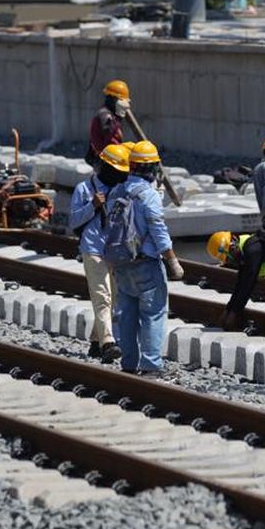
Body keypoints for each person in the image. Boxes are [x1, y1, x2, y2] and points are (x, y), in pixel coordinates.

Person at [105, 140, 185, 376]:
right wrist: (172, 260)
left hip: (120, 262)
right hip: (146, 264)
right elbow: (157, 229)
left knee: (127, 314)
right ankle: (151, 365)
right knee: (153, 313)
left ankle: (129, 363)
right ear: (152, 168)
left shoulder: (116, 191)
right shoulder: (148, 195)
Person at [70, 142, 130, 362]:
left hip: (114, 250)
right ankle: (108, 342)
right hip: (93, 249)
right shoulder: (83, 190)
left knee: (113, 298)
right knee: (102, 296)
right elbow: (74, 221)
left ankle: (95, 342)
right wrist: (92, 206)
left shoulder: (120, 191)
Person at [86, 80, 132, 168]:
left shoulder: (111, 113)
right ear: (114, 99)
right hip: (105, 160)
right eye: (122, 101)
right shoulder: (106, 115)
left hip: (107, 157)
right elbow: (109, 137)